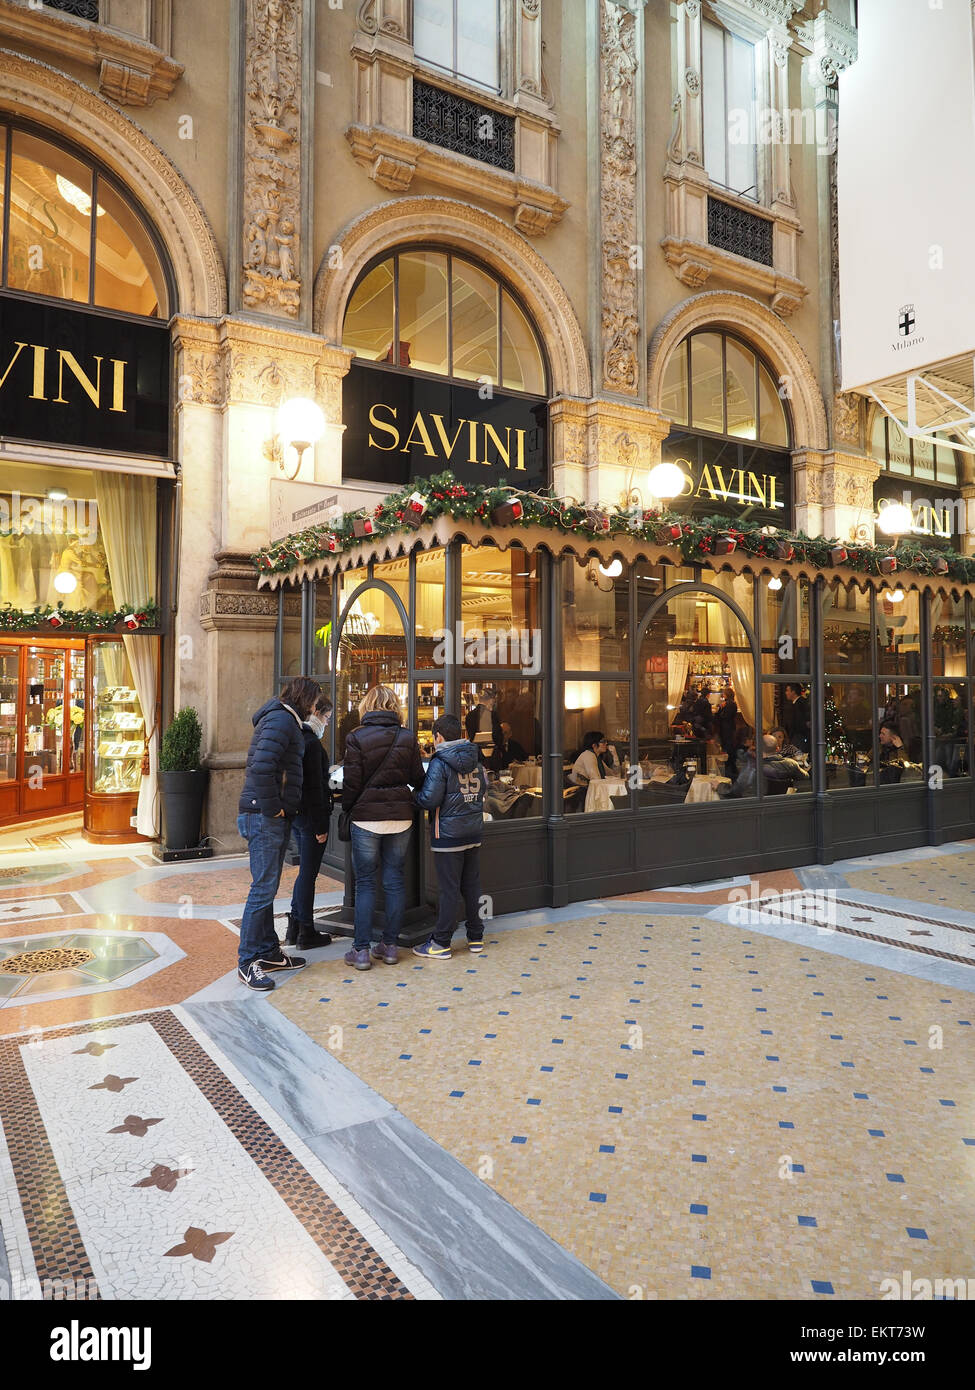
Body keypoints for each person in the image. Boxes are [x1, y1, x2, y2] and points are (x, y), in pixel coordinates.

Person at [236, 675, 323, 992]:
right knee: (262, 889)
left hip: (265, 815)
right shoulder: (282, 721)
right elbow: (261, 767)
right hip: (263, 817)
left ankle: (268, 952)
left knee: (267, 887)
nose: (316, 708)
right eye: (315, 701)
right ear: (305, 699)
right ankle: (248, 962)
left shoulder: (283, 719)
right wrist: (274, 808)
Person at [341, 684, 425, 971]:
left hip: (366, 818)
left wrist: (350, 808)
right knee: (394, 881)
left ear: (367, 705)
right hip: (401, 816)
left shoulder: (356, 737)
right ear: (394, 706)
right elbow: (418, 777)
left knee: (365, 883)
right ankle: (390, 947)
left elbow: (351, 782)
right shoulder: (408, 736)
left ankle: (361, 950)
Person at [412, 714, 488, 960]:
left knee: (448, 890)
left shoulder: (440, 762)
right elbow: (484, 788)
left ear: (439, 737)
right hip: (473, 830)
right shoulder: (475, 758)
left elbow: (430, 799)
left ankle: (441, 942)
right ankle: (476, 937)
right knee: (472, 885)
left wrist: (412, 795)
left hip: (447, 834)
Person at [284, 692, 335, 952]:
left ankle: (294, 926)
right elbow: (315, 788)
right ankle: (306, 929)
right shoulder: (312, 744)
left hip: (297, 815)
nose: (327, 723)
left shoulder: (297, 738)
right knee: (309, 874)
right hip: (310, 817)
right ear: (316, 713)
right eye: (326, 717)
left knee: (305, 872)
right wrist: (321, 827)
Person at [465, 687, 504, 770]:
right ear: (491, 700)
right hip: (492, 756)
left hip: (476, 754)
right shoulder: (492, 715)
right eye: (494, 699)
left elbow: (471, 735)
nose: (494, 702)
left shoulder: (470, 715)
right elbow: (498, 735)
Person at [715, 687, 740, 779]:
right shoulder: (732, 703)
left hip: (726, 728)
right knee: (729, 746)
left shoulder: (729, 704)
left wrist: (720, 708)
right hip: (729, 728)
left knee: (728, 746)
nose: (722, 695)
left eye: (724, 693)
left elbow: (723, 716)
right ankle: (731, 769)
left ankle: (730, 770)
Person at [782, 683, 810, 753]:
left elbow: (798, 722)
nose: (786, 693)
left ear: (793, 692)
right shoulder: (798, 703)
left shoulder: (799, 704)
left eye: (787, 690)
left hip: (799, 738)